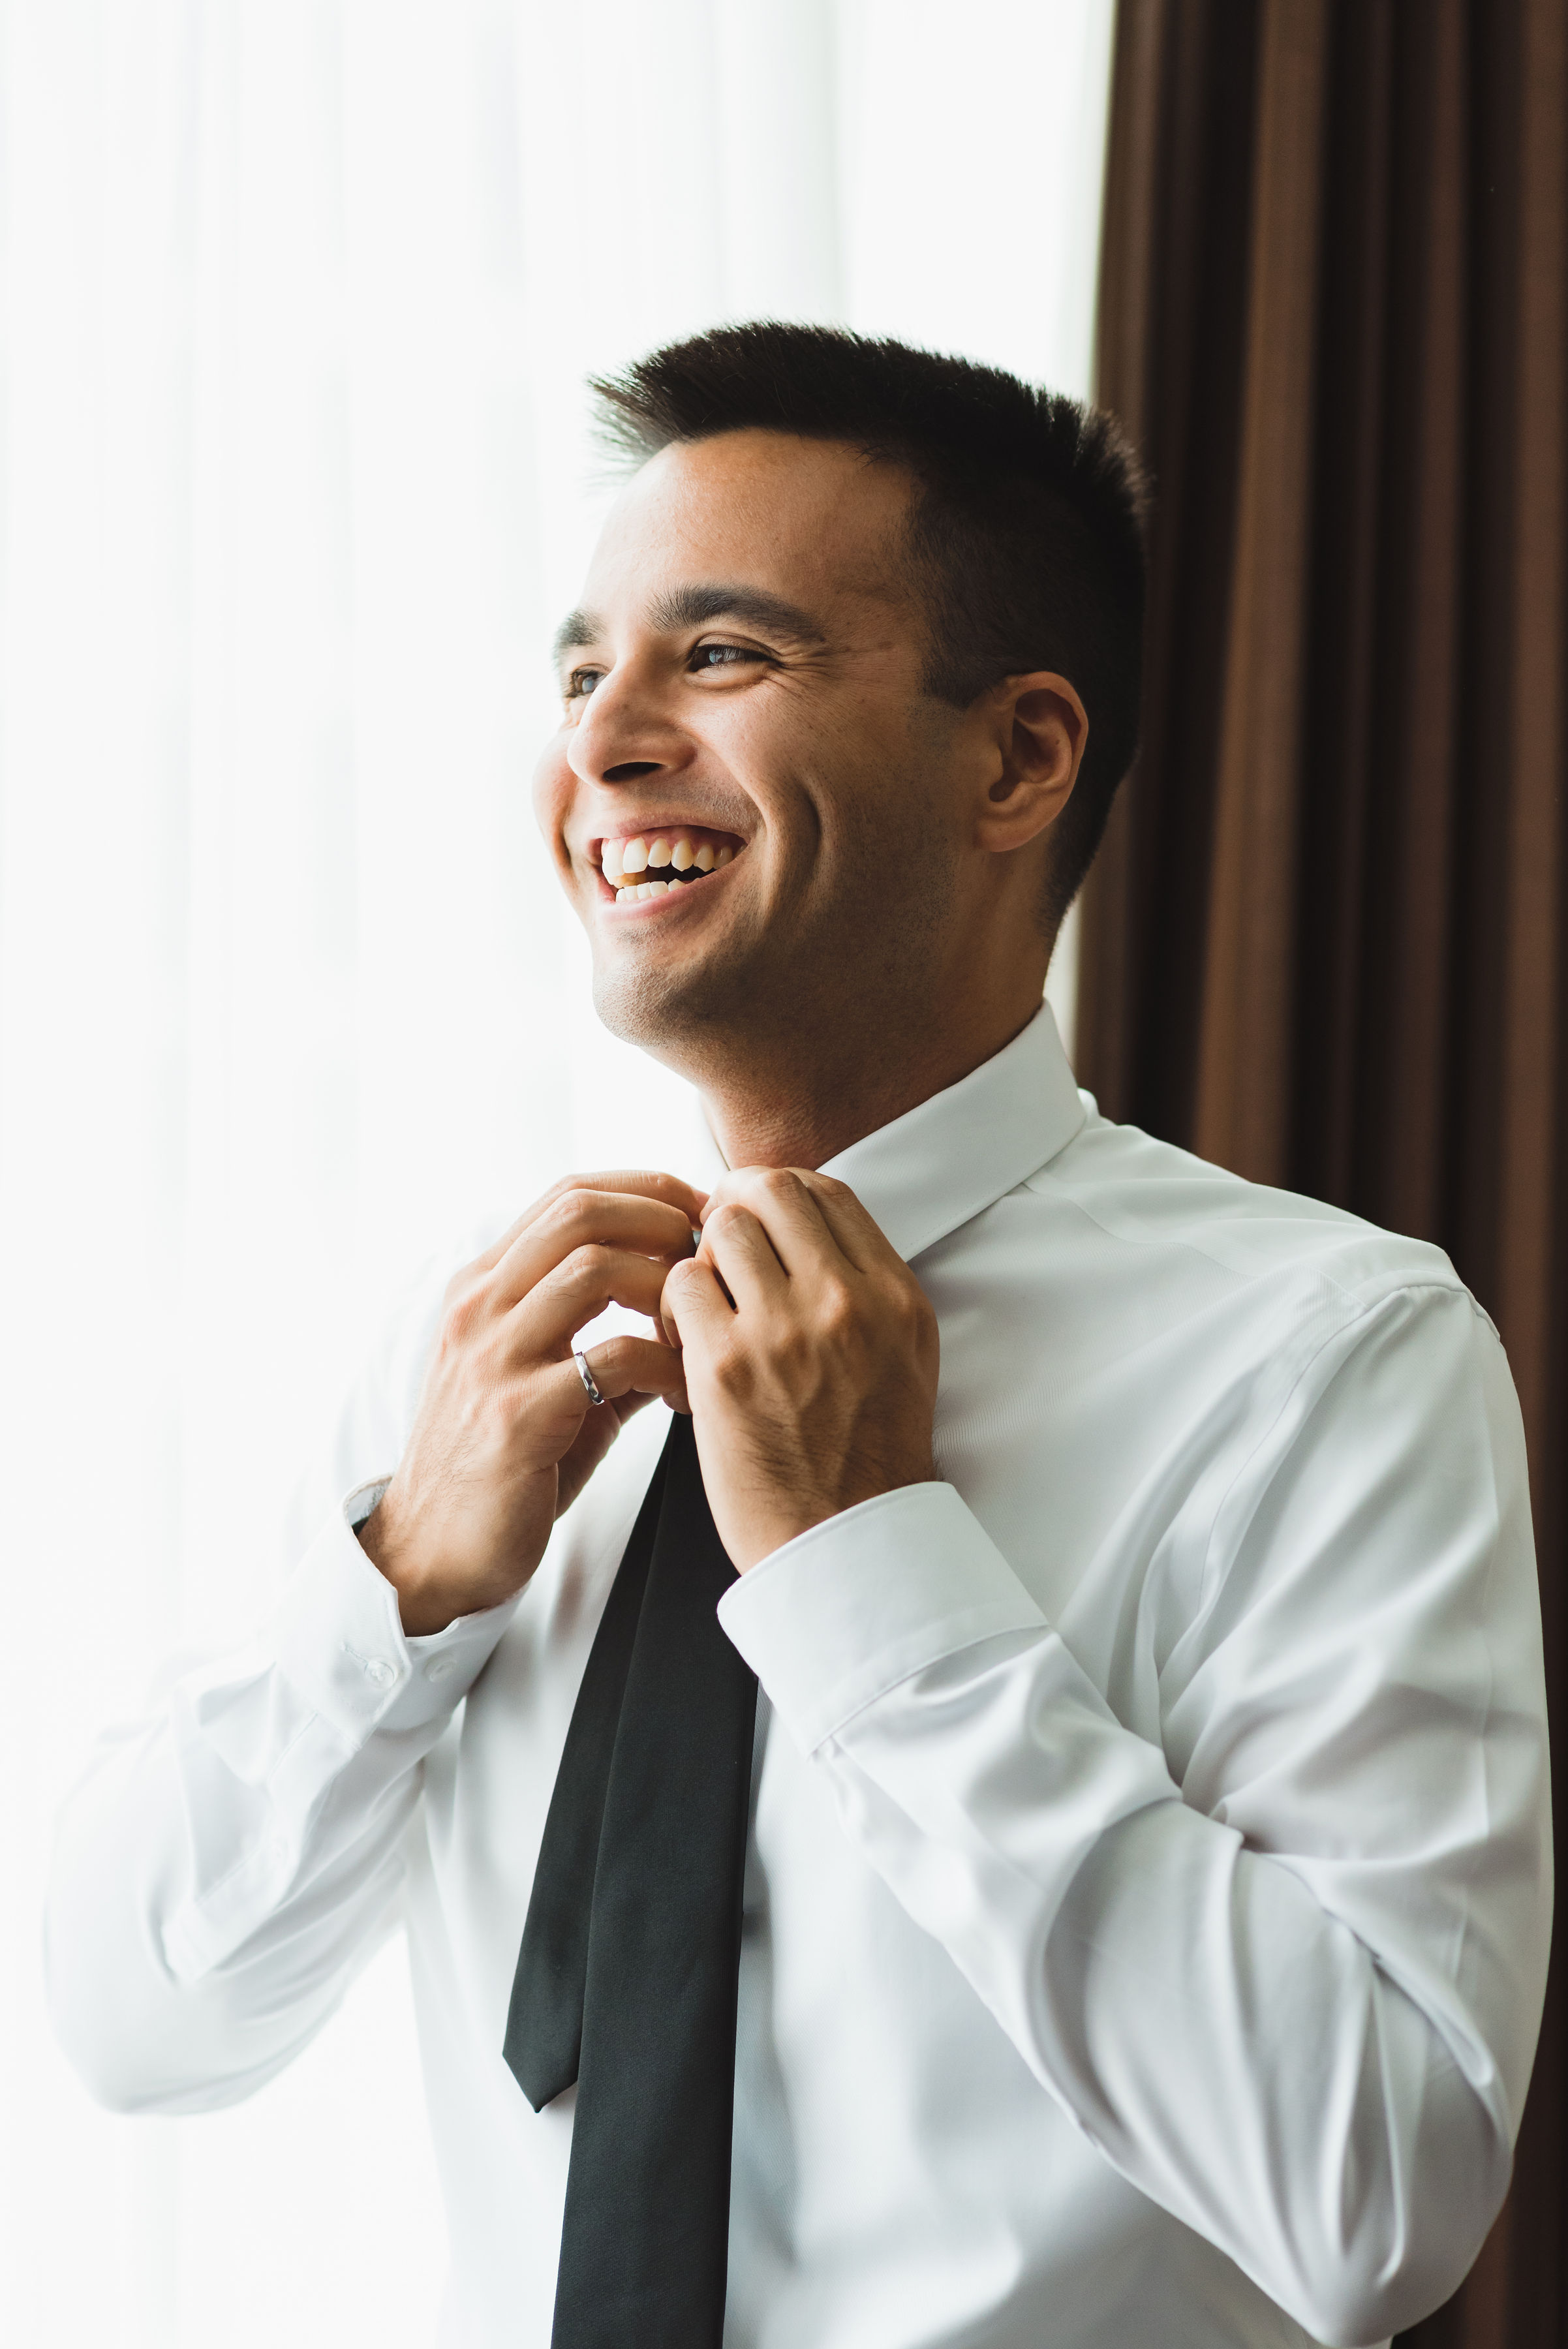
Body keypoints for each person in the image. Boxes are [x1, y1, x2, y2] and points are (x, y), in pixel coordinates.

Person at [48, 324, 1551, 2349]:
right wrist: (405, 1578)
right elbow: (137, 2023)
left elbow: (1376, 2203)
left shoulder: (1327, 1353)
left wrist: (872, 1573)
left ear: (1017, 757)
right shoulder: (481, 1343)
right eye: (582, 671)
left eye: (722, 658)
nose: (602, 744)